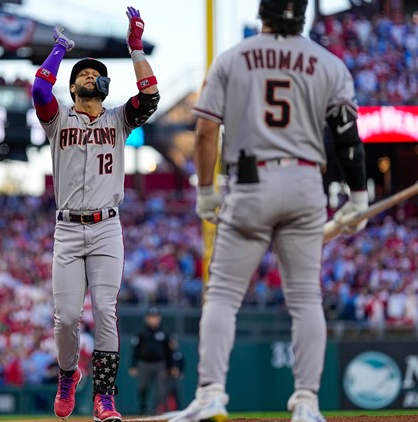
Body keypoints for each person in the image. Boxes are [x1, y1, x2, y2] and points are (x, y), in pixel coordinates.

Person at [171, 1, 368, 421]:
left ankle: (210, 394)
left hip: (250, 180)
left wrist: (206, 191)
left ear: (263, 13)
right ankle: (307, 403)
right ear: (303, 16)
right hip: (304, 182)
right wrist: (358, 196)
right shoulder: (329, 63)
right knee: (305, 299)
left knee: (223, 296)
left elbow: (206, 130)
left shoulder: (232, 58)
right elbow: (348, 136)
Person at [31, 6, 160, 422]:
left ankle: (105, 398)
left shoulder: (120, 119)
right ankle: (68, 374)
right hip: (68, 229)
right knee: (67, 318)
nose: (89, 75)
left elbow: (151, 96)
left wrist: (135, 46)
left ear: (104, 84)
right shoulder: (58, 119)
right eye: (81, 74)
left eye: (94, 73)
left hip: (107, 227)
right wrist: (59, 50)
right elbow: (38, 91)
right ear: (72, 87)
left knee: (106, 309)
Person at [128, 307, 171, 416]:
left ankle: (159, 411)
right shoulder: (141, 332)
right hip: (144, 363)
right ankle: (143, 409)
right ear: (147, 318)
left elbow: (169, 351)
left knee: (161, 390)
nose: (153, 319)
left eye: (155, 317)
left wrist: (171, 366)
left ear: (159, 318)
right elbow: (135, 349)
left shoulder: (164, 332)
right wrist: (133, 365)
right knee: (143, 387)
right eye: (151, 317)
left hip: (160, 364)